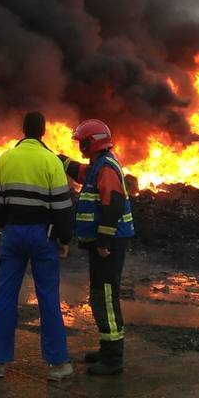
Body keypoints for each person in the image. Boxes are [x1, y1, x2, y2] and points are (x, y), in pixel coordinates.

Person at [0, 111, 75, 382]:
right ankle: (58, 365)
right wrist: (64, 239)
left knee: (4, 296)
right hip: (42, 238)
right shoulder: (50, 161)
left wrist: (6, 223)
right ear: (44, 131)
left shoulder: (5, 158)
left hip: (12, 235)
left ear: (23, 130)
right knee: (47, 297)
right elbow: (62, 207)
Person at [59, 119, 134, 376]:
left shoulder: (107, 168)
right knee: (99, 296)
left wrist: (103, 241)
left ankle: (113, 360)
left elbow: (112, 205)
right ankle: (106, 348)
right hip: (102, 245)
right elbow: (80, 173)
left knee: (107, 299)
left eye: (83, 142)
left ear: (94, 142)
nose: (81, 147)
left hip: (109, 245)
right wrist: (60, 160)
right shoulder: (98, 165)